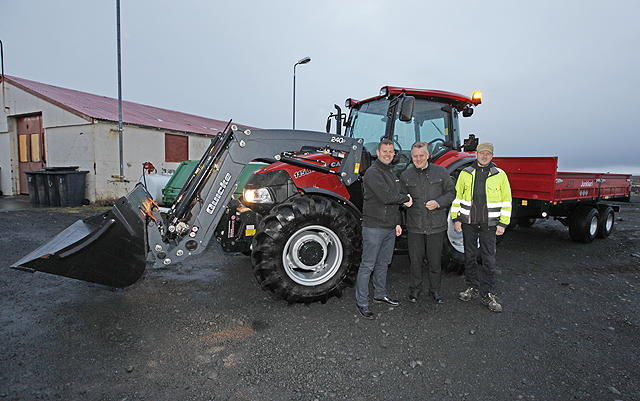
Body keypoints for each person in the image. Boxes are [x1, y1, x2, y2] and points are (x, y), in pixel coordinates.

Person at [450, 142, 512, 312]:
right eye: (482, 153)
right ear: (476, 154)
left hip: (489, 224)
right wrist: (456, 219)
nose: (484, 156)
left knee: (488, 259)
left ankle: (489, 294)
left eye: (488, 154)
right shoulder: (465, 173)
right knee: (469, 257)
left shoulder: (500, 175)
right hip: (469, 223)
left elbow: (507, 201)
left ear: (492, 156)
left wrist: (502, 223)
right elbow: (458, 198)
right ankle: (472, 288)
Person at [355, 139, 413, 319]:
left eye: (391, 151)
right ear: (378, 153)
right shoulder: (373, 173)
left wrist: (396, 222)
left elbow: (393, 201)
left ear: (394, 154)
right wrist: (405, 199)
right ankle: (362, 303)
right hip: (374, 227)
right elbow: (386, 197)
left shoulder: (391, 172)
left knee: (383, 263)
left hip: (388, 227)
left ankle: (380, 294)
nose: (388, 154)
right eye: (385, 151)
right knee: (367, 265)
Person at [400, 141, 455, 304]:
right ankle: (415, 290)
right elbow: (401, 196)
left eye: (421, 156)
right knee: (415, 262)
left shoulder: (441, 172)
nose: (418, 159)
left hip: (435, 226)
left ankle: (435, 290)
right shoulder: (406, 175)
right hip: (415, 226)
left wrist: (438, 202)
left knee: (434, 261)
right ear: (412, 156)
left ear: (428, 155)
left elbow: (451, 192)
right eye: (415, 156)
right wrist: (404, 202)